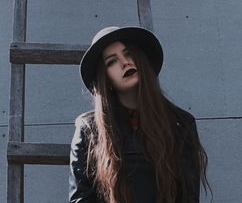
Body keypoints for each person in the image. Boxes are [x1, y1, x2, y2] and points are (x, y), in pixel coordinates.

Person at [69, 26, 210, 203]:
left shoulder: (181, 123)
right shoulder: (88, 129)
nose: (125, 63)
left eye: (128, 54)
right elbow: (81, 199)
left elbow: (188, 197)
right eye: (112, 62)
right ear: (105, 77)